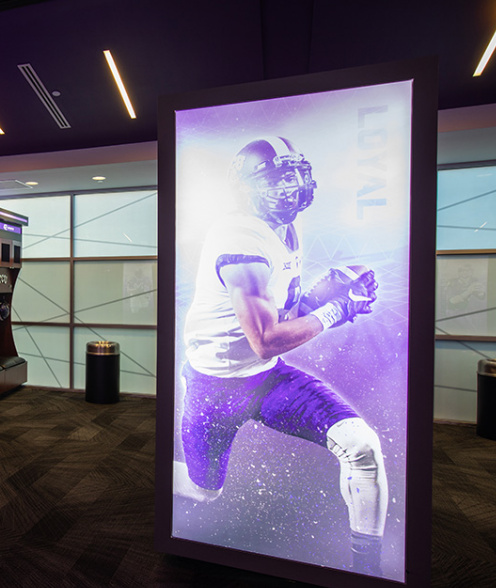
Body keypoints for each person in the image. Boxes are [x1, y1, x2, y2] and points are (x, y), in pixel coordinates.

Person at [177, 136, 386, 576]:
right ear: (247, 187)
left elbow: (281, 314)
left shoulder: (284, 226)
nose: (292, 185)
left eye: (296, 173)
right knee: (205, 492)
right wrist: (336, 309)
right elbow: (266, 337)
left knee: (362, 447)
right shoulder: (239, 237)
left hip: (265, 377)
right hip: (213, 385)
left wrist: (323, 293)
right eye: (278, 177)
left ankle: (370, 571)